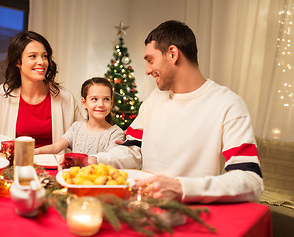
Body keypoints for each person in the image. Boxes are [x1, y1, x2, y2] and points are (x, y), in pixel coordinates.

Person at [88, 20, 264, 203]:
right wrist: (94, 161)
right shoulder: (154, 100)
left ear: (172, 54)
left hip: (193, 214)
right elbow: (133, 149)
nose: (147, 70)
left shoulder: (228, 104)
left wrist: (180, 188)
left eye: (150, 60)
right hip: (146, 209)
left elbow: (251, 180)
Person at [0, 31, 84, 148]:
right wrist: (7, 141)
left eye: (44, 56)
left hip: (55, 168)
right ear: (18, 62)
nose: (41, 62)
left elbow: (85, 135)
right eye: (33, 56)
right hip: (14, 167)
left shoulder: (65, 97)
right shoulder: (2, 94)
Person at [35, 77, 125, 155]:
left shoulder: (116, 134)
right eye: (94, 99)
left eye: (106, 99)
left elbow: (109, 161)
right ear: (84, 102)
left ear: (111, 103)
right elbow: (55, 147)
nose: (101, 104)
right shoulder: (76, 127)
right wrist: (35, 152)